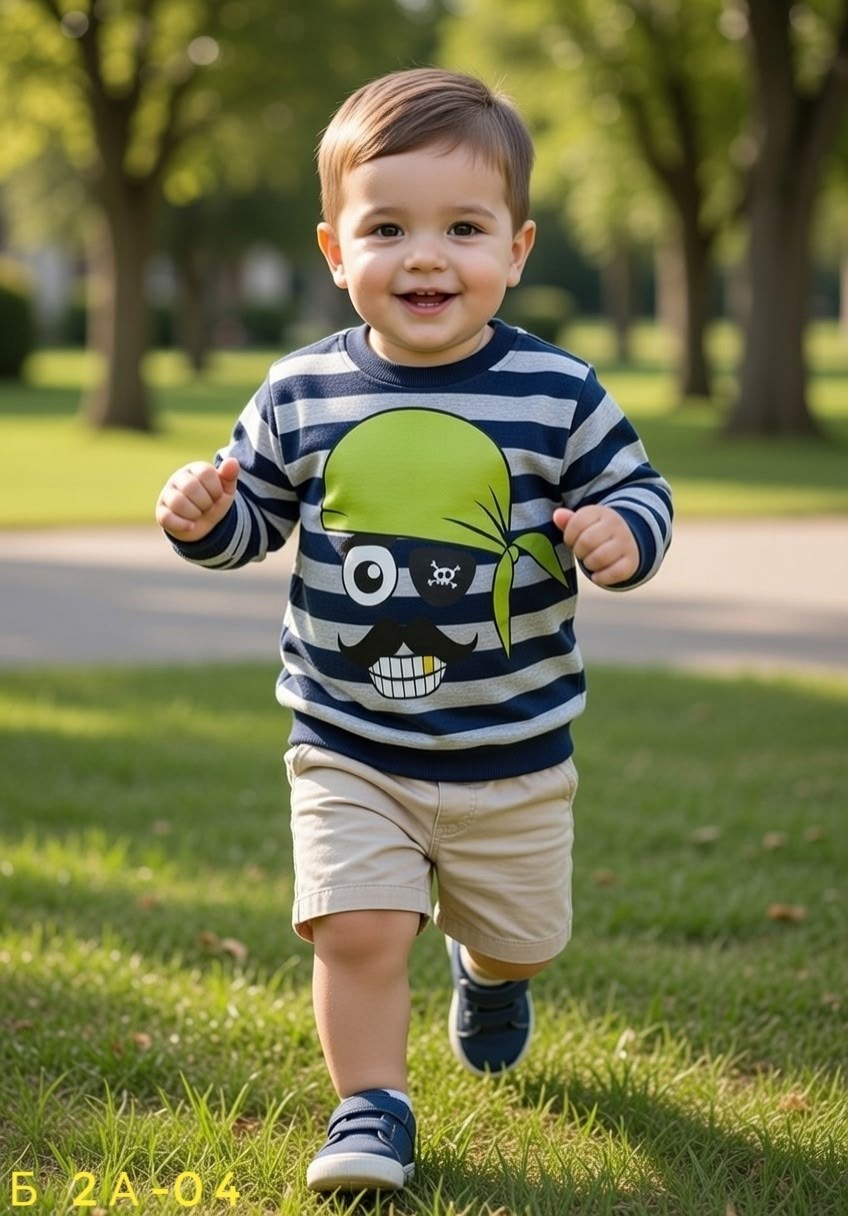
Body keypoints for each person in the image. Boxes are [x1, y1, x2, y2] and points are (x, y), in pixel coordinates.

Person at [155, 67, 672, 1194]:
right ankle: (370, 1109)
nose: (425, 255)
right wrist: (207, 519)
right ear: (337, 252)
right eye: (387, 227)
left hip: (513, 749)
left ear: (517, 248)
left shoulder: (557, 389)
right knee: (356, 929)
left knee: (523, 934)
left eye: (463, 227)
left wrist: (623, 533)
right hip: (348, 742)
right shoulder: (300, 392)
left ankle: (488, 975)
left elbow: (639, 489)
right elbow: (256, 520)